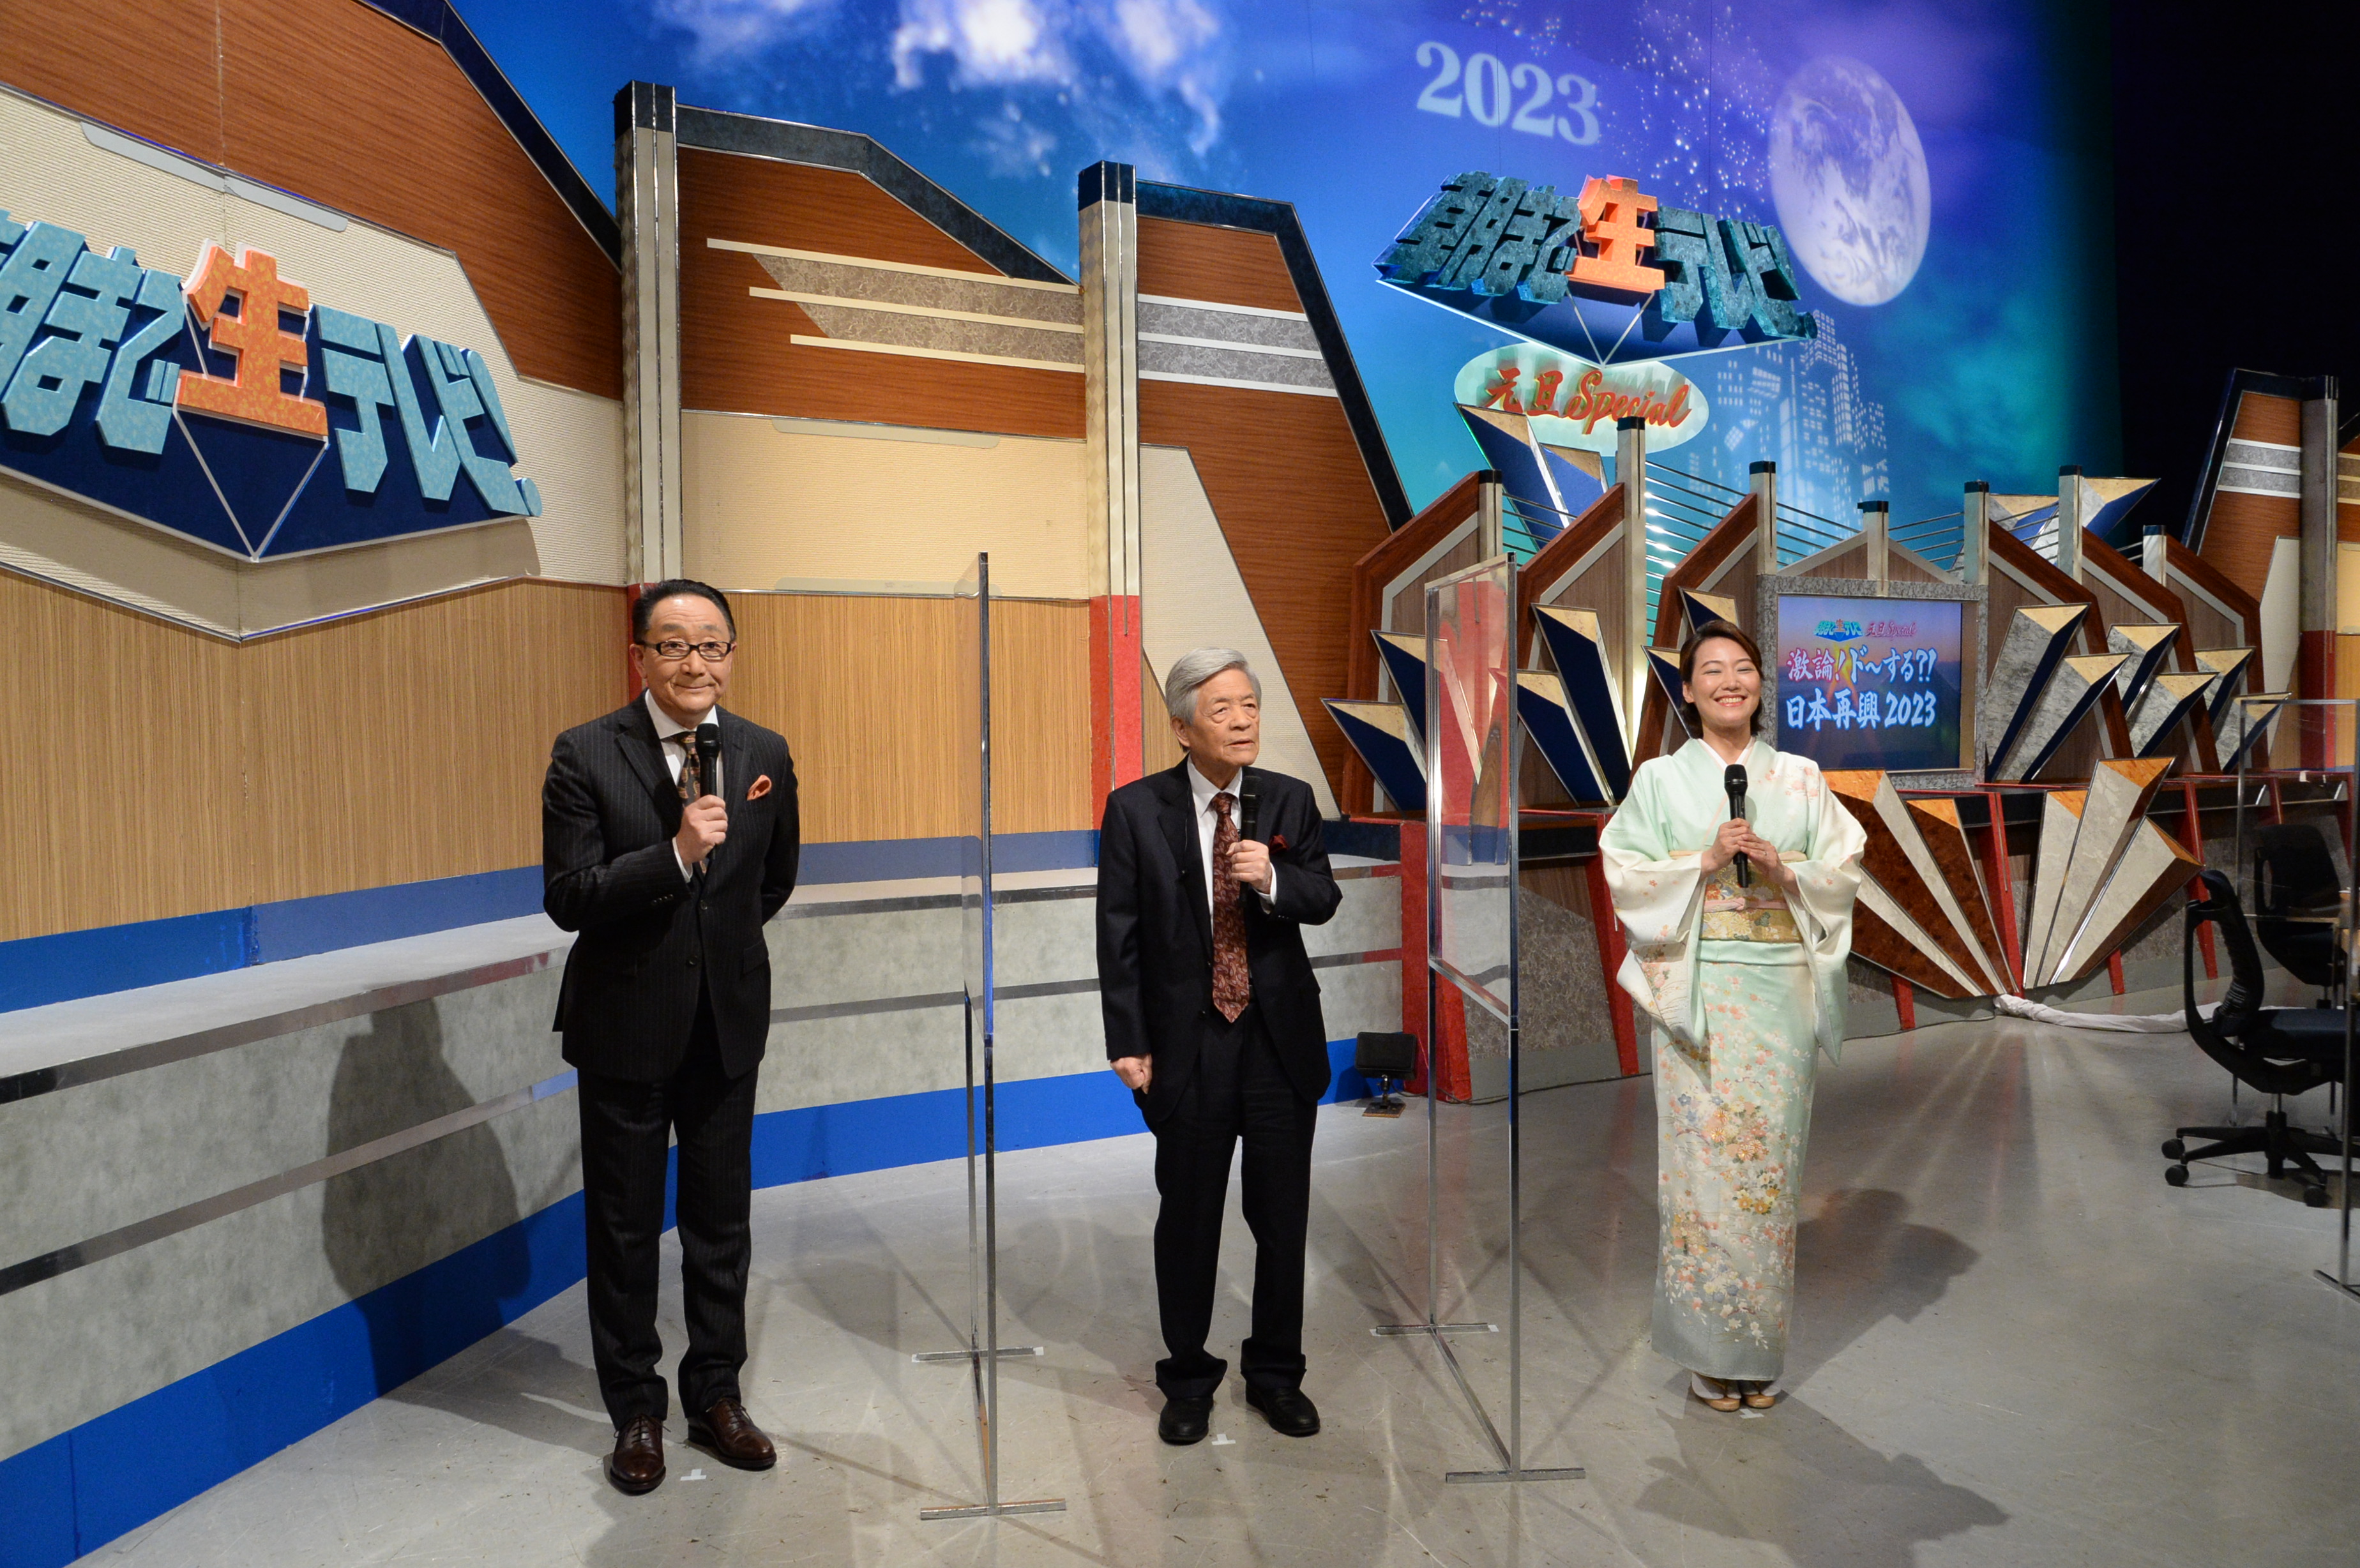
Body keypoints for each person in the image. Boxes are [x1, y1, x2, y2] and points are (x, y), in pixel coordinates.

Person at [542, 580, 800, 1493]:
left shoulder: (763, 751)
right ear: (641, 657)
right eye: (675, 645)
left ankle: (717, 1395)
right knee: (623, 1229)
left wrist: (711, 951)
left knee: (720, 1224)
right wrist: (677, 856)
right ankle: (637, 1412)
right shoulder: (585, 751)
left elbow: (774, 880)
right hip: (624, 1026)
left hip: (726, 1024)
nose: (696, 663)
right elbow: (570, 895)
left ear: (731, 654)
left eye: (712, 645)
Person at [1598, 620, 1864, 1413]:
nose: (1729, 681)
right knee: (1702, 1173)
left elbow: (1845, 868)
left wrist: (1785, 866)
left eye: (1743, 667)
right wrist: (1702, 861)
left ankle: (1756, 1351)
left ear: (1760, 683)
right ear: (1688, 690)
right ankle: (1707, 1351)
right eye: (1711, 670)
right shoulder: (1658, 779)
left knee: (1768, 1173)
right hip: (1701, 990)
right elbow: (1625, 872)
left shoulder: (1802, 777)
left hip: (1780, 993)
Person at [1096, 649, 1342, 1445]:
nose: (1242, 721)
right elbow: (1118, 934)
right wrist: (1128, 1040)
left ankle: (1276, 1373)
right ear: (1182, 727)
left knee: (1281, 1217)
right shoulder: (1136, 809)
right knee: (1190, 1218)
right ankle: (1188, 1378)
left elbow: (1323, 896)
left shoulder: (1289, 798)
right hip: (1188, 1045)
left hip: (1277, 1041)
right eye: (1222, 709)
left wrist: (1272, 878)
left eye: (1250, 705)